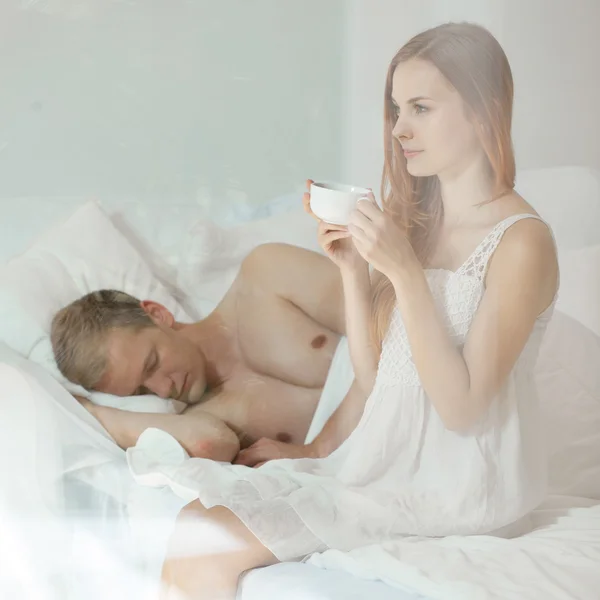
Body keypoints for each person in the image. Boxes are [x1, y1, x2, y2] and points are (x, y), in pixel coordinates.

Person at [155, 22, 560, 599]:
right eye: (396, 109)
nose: (399, 129)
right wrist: (353, 270)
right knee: (194, 521)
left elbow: (464, 409)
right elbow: (376, 378)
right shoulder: (417, 224)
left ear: (481, 109)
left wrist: (403, 272)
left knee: (206, 541)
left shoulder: (522, 242)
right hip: (388, 466)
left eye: (420, 107)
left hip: (460, 485)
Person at [50, 242, 346, 462]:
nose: (164, 389)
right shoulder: (211, 421)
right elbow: (208, 444)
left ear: (158, 314)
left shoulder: (266, 275)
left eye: (152, 364)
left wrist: (319, 447)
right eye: (141, 391)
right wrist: (93, 413)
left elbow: (386, 316)